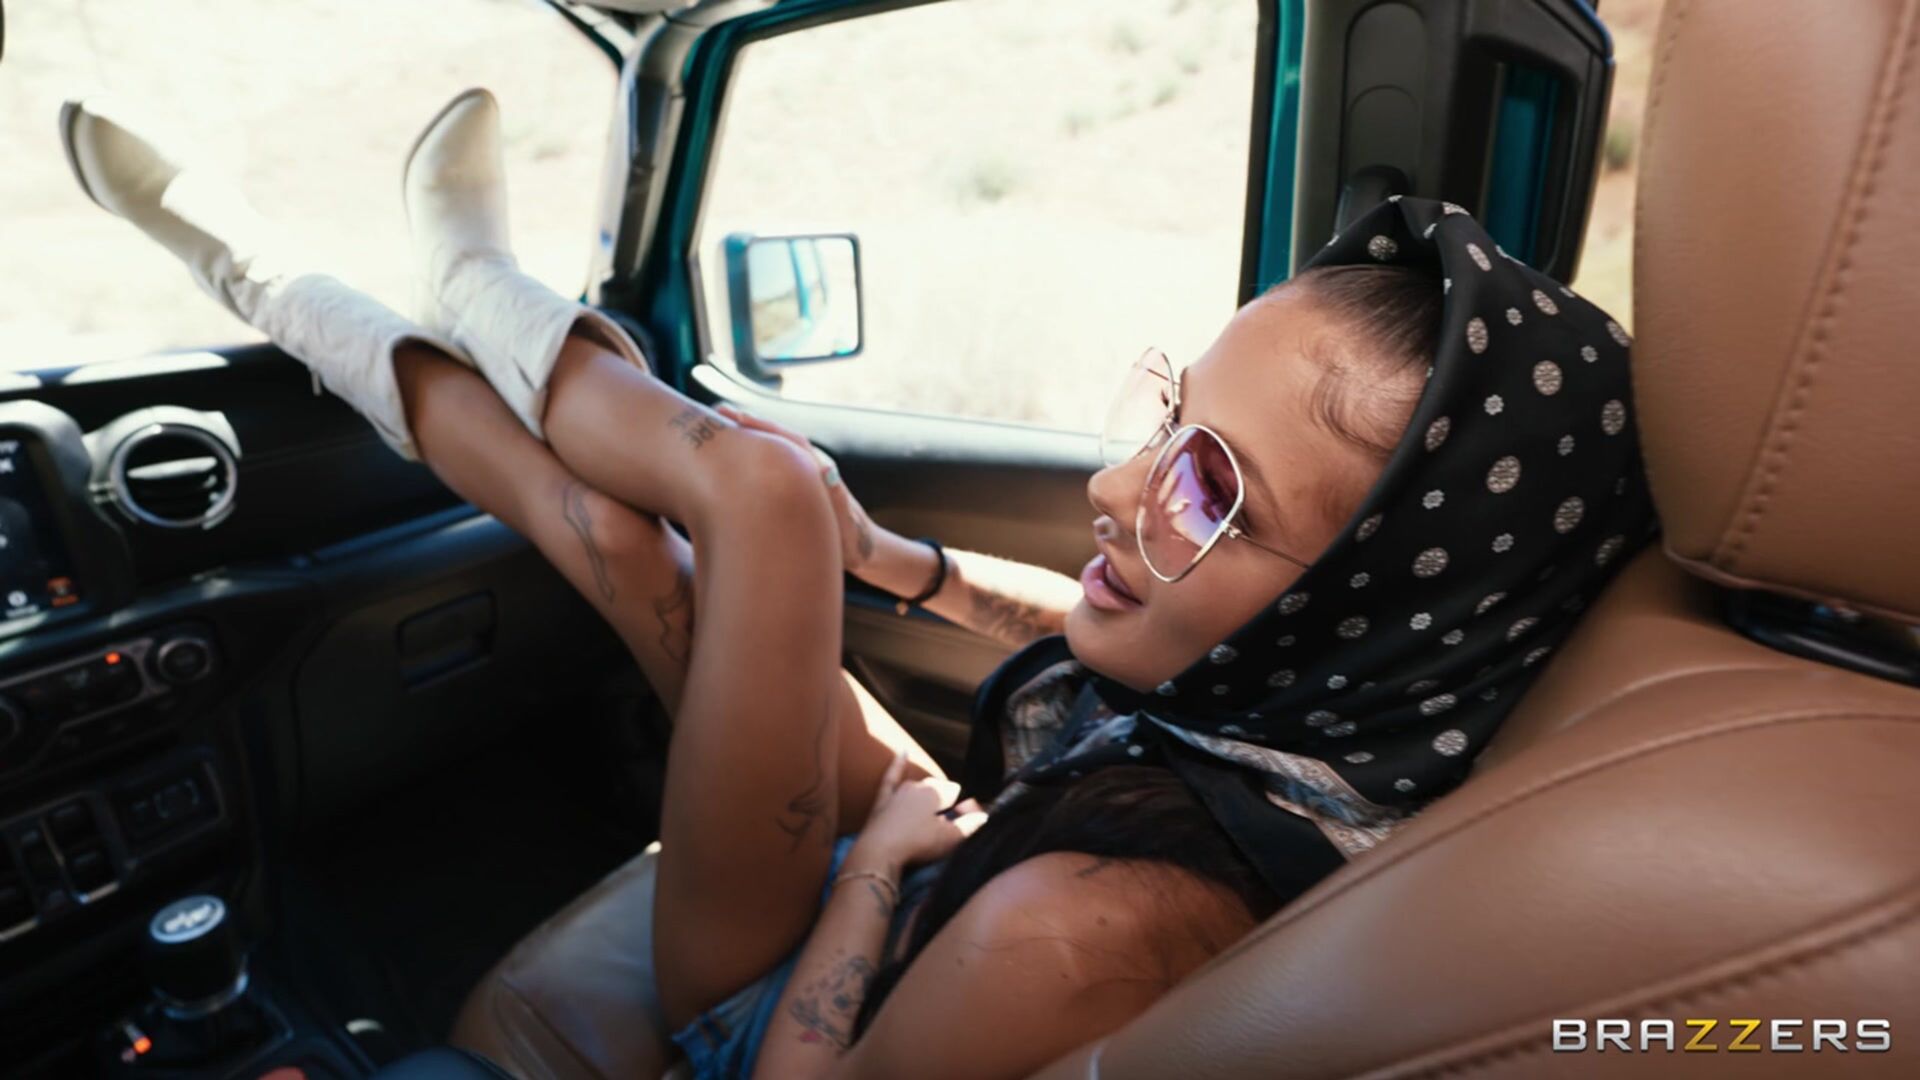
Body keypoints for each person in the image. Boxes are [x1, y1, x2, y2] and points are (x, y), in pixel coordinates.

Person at [59, 89, 1656, 1080]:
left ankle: (325, 272)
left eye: (1204, 486)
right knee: (638, 542)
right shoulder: (1361, 727)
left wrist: (883, 867)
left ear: (1368, 605)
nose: (1115, 487)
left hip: (778, 1002)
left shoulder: (1071, 940)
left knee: (749, 492)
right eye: (1168, 415)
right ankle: (367, 274)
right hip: (984, 847)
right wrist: (902, 567)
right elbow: (1097, 637)